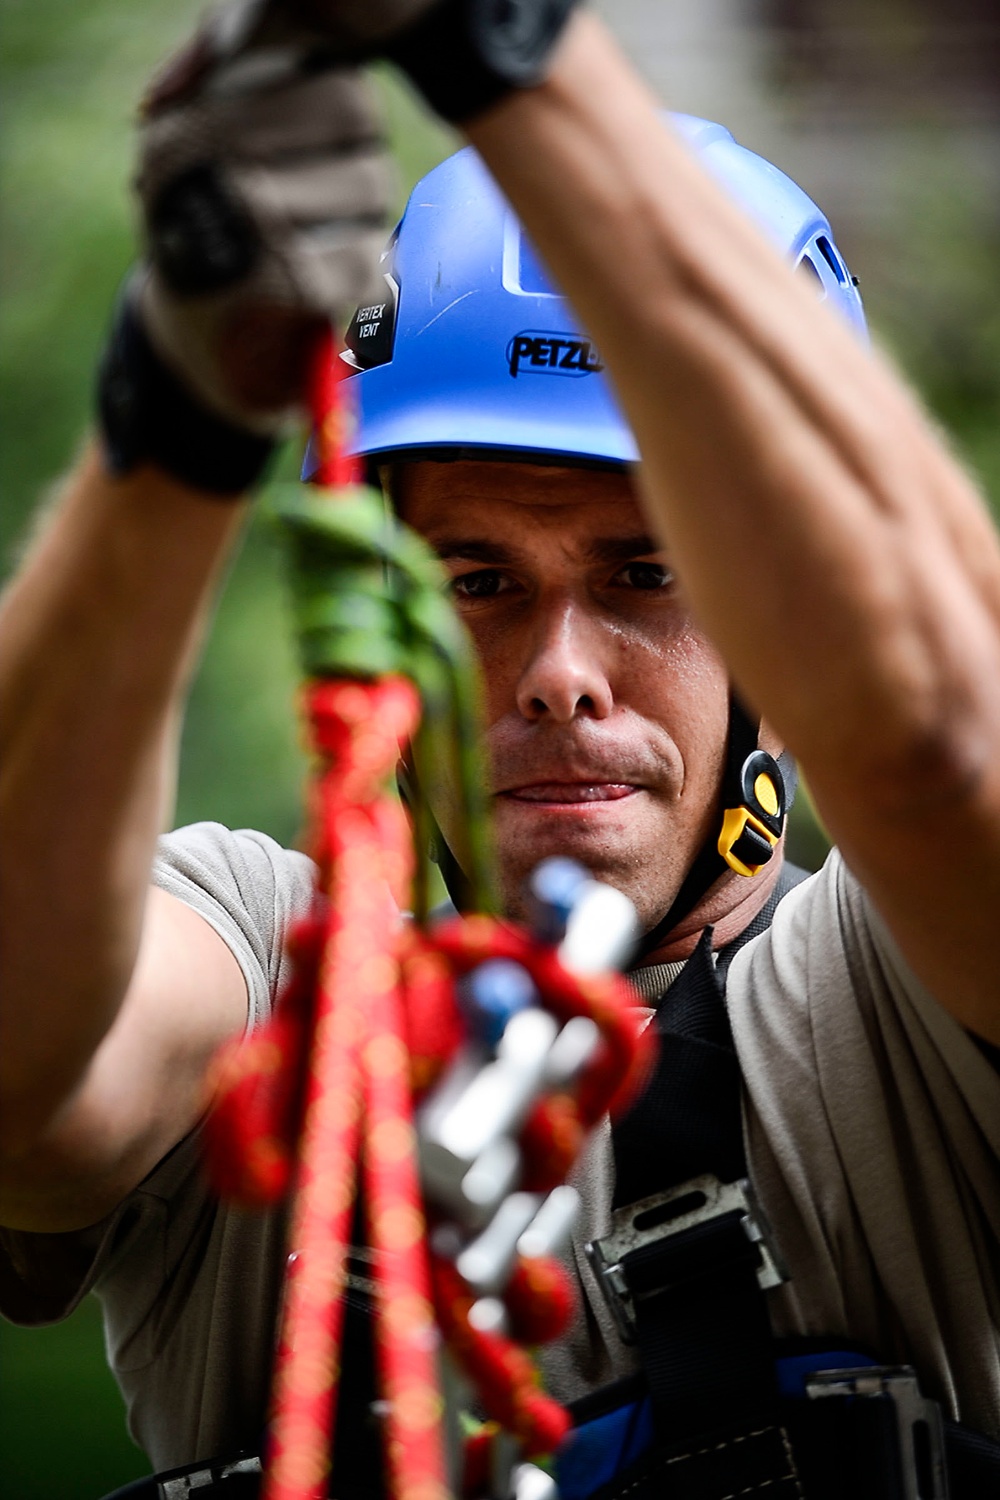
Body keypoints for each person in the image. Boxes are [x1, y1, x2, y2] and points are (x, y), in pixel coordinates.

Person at [2, 0, 999, 1495]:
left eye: (647, 576)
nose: (556, 677)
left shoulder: (901, 1006)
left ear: (784, 621)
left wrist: (503, 44)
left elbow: (936, 752)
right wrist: (182, 422)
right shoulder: (275, 977)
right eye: (477, 582)